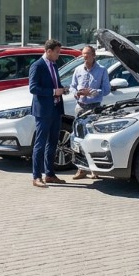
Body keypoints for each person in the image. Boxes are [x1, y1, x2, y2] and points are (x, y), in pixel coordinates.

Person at [29, 38, 68, 187]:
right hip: (43, 111)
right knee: (40, 143)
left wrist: (63, 89)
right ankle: (36, 177)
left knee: (53, 143)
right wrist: (53, 92)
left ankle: (50, 174)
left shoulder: (54, 65)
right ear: (49, 51)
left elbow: (55, 84)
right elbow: (33, 88)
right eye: (57, 52)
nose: (59, 55)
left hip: (56, 109)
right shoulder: (37, 66)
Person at [69, 45, 110, 180]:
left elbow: (106, 89)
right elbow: (72, 86)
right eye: (83, 55)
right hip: (80, 107)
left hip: (94, 107)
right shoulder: (78, 69)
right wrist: (76, 93)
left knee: (91, 138)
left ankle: (94, 170)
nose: (84, 57)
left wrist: (93, 92)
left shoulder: (102, 70)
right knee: (78, 138)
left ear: (93, 55)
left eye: (87, 54)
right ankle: (81, 169)